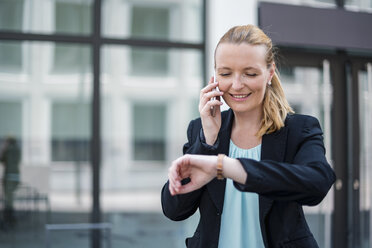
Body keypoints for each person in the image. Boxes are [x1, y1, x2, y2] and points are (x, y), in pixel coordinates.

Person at [161, 24, 336, 248]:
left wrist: (226, 166)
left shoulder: (299, 129)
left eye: (250, 73)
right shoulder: (200, 129)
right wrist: (208, 142)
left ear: (270, 73)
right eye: (225, 73)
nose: (236, 85)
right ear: (214, 76)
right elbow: (174, 210)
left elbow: (317, 183)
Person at [0, 136, 21, 226]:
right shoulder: (18, 149)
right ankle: (10, 217)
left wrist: (3, 148)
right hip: (16, 174)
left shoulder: (8, 149)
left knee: (8, 199)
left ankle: (9, 218)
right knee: (10, 197)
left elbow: (1, 159)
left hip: (9, 175)